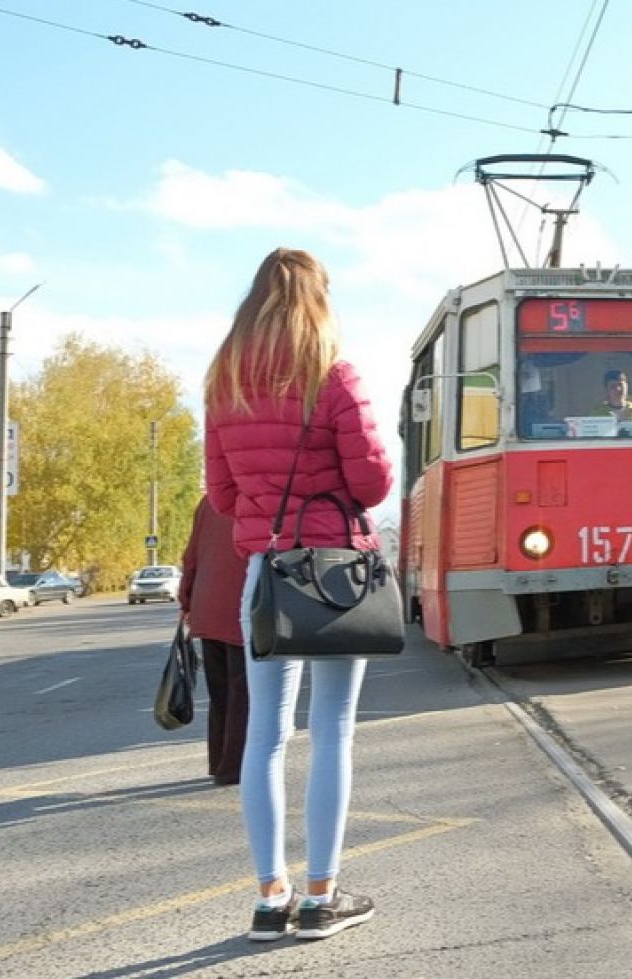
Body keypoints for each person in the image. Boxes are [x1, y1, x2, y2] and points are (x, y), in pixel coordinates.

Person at [204, 248, 394, 942]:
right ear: (318, 298)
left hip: (269, 574)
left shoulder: (224, 383)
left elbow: (222, 495)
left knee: (265, 736)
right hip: (337, 575)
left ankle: (268, 895)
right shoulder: (334, 373)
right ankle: (321, 895)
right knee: (333, 729)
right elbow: (372, 483)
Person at [179, 496, 247, 786]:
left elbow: (190, 557)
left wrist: (187, 602)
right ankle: (234, 768)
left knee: (220, 694)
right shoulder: (259, 497)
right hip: (243, 608)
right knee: (243, 695)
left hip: (207, 608)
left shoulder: (209, 502)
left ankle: (219, 761)